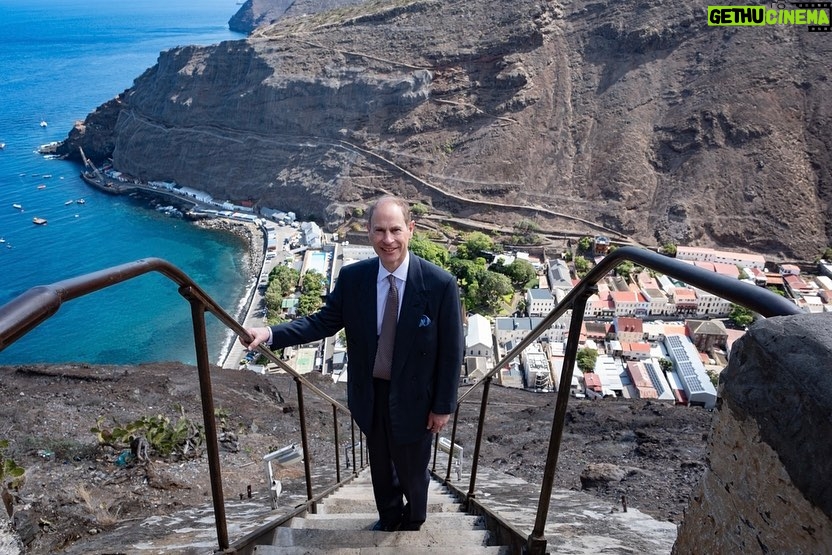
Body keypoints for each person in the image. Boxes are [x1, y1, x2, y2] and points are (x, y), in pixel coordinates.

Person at [240, 195, 464, 532]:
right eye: (379, 231)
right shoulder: (354, 278)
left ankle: (414, 519)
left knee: (413, 469)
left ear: (411, 230)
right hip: (370, 392)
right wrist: (269, 332)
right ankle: (388, 518)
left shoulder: (439, 284)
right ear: (368, 232)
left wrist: (443, 407)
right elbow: (322, 323)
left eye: (395, 230)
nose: (388, 240)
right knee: (379, 463)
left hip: (417, 398)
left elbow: (452, 350)